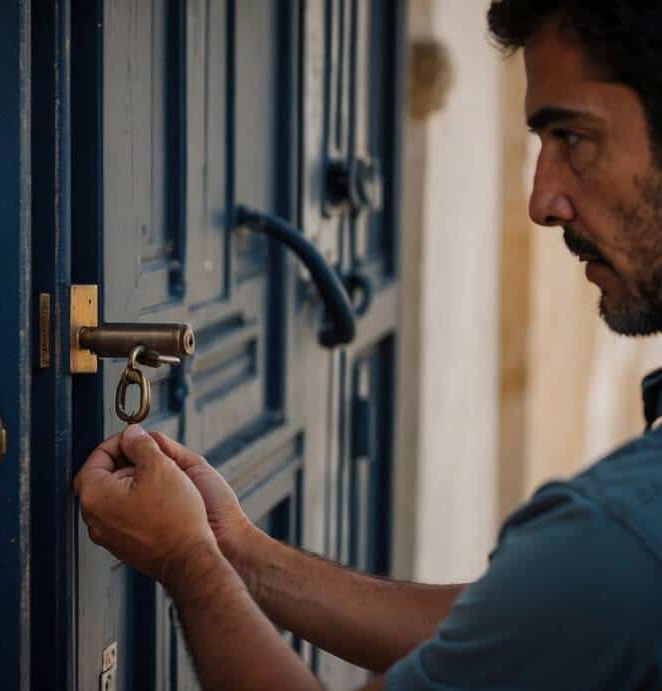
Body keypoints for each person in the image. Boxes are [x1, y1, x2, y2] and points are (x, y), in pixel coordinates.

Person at [73, 1, 662, 689]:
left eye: (573, 137)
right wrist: (234, 547)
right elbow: (522, 631)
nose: (542, 199)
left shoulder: (626, 532)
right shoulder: (616, 561)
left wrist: (187, 561)